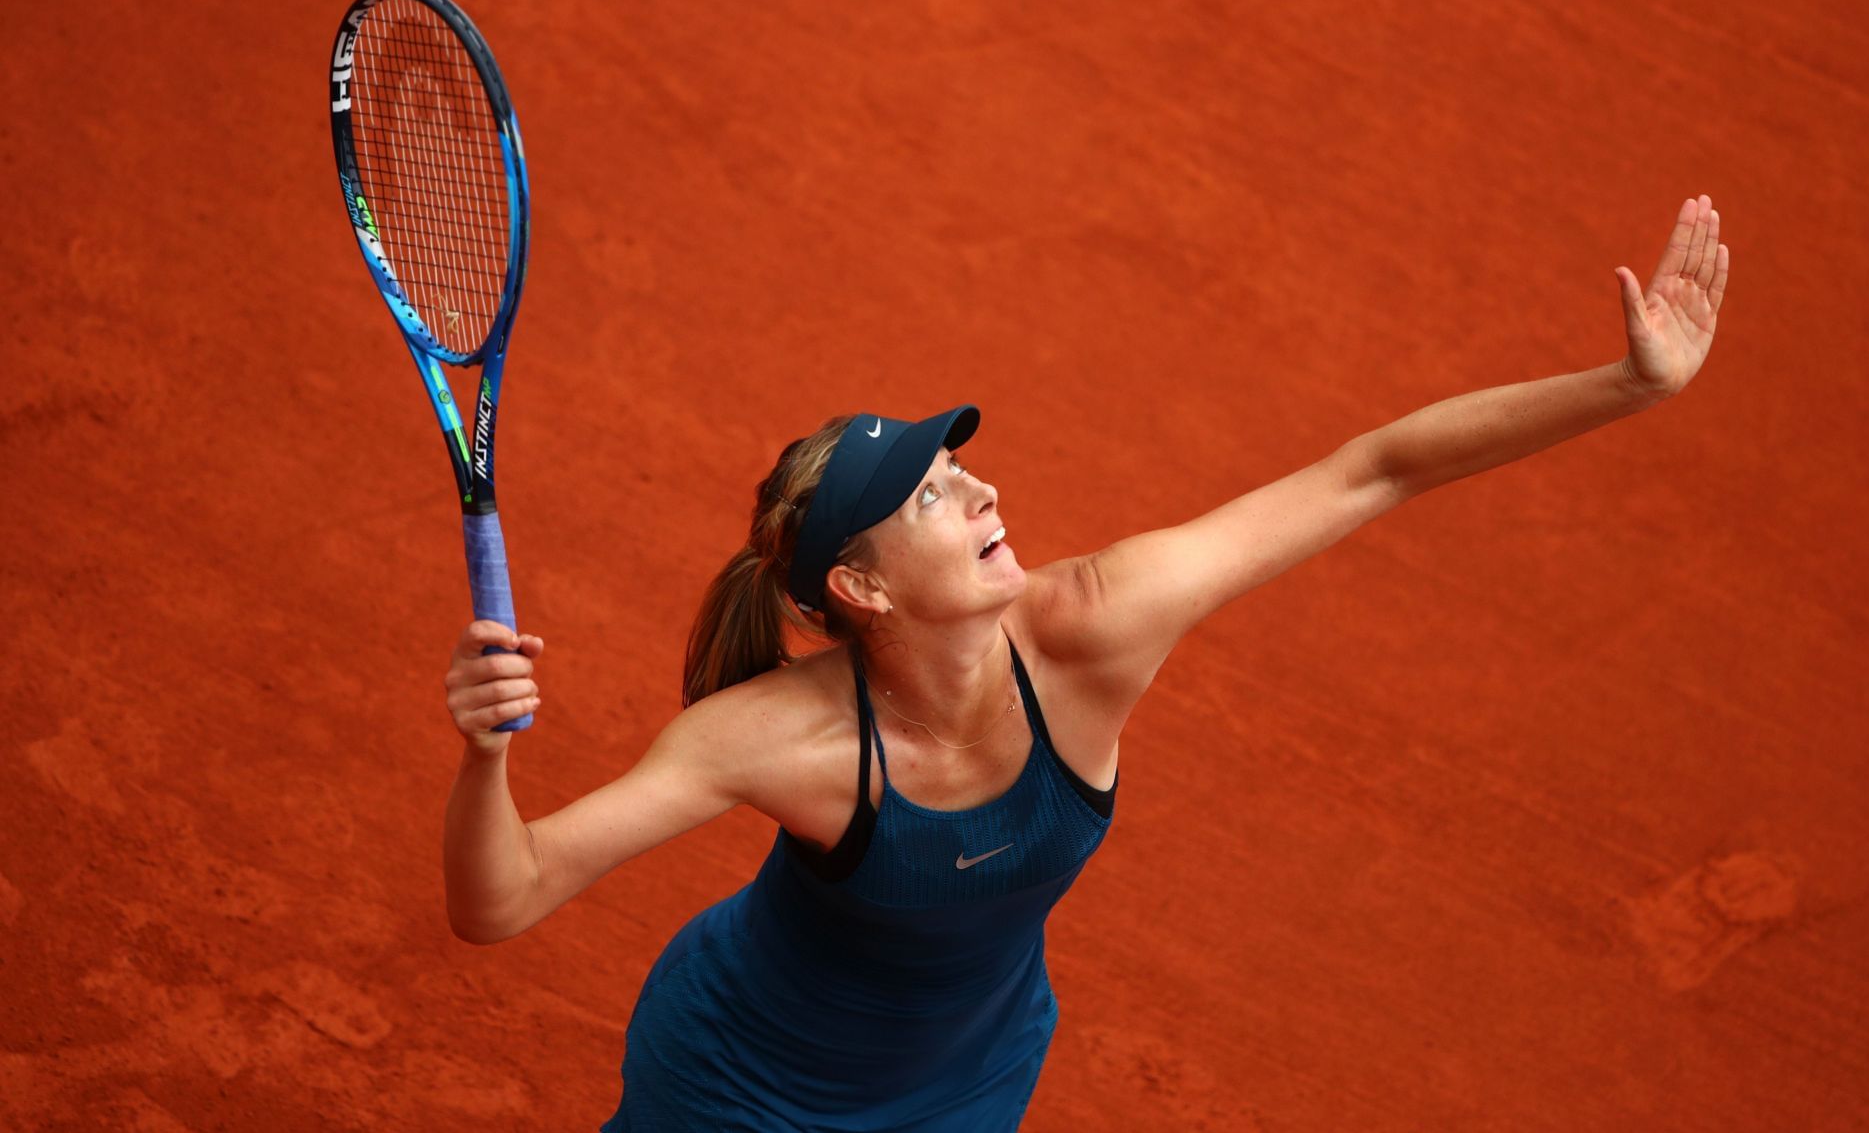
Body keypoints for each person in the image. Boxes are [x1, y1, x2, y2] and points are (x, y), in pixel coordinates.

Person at [441, 197, 1730, 1130]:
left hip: (966, 1089)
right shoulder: (776, 741)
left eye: (961, 463)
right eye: (940, 494)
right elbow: (503, 899)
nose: (987, 484)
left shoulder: (1101, 624)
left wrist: (1626, 385)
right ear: (864, 587)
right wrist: (486, 759)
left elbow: (1374, 467)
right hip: (742, 1092)